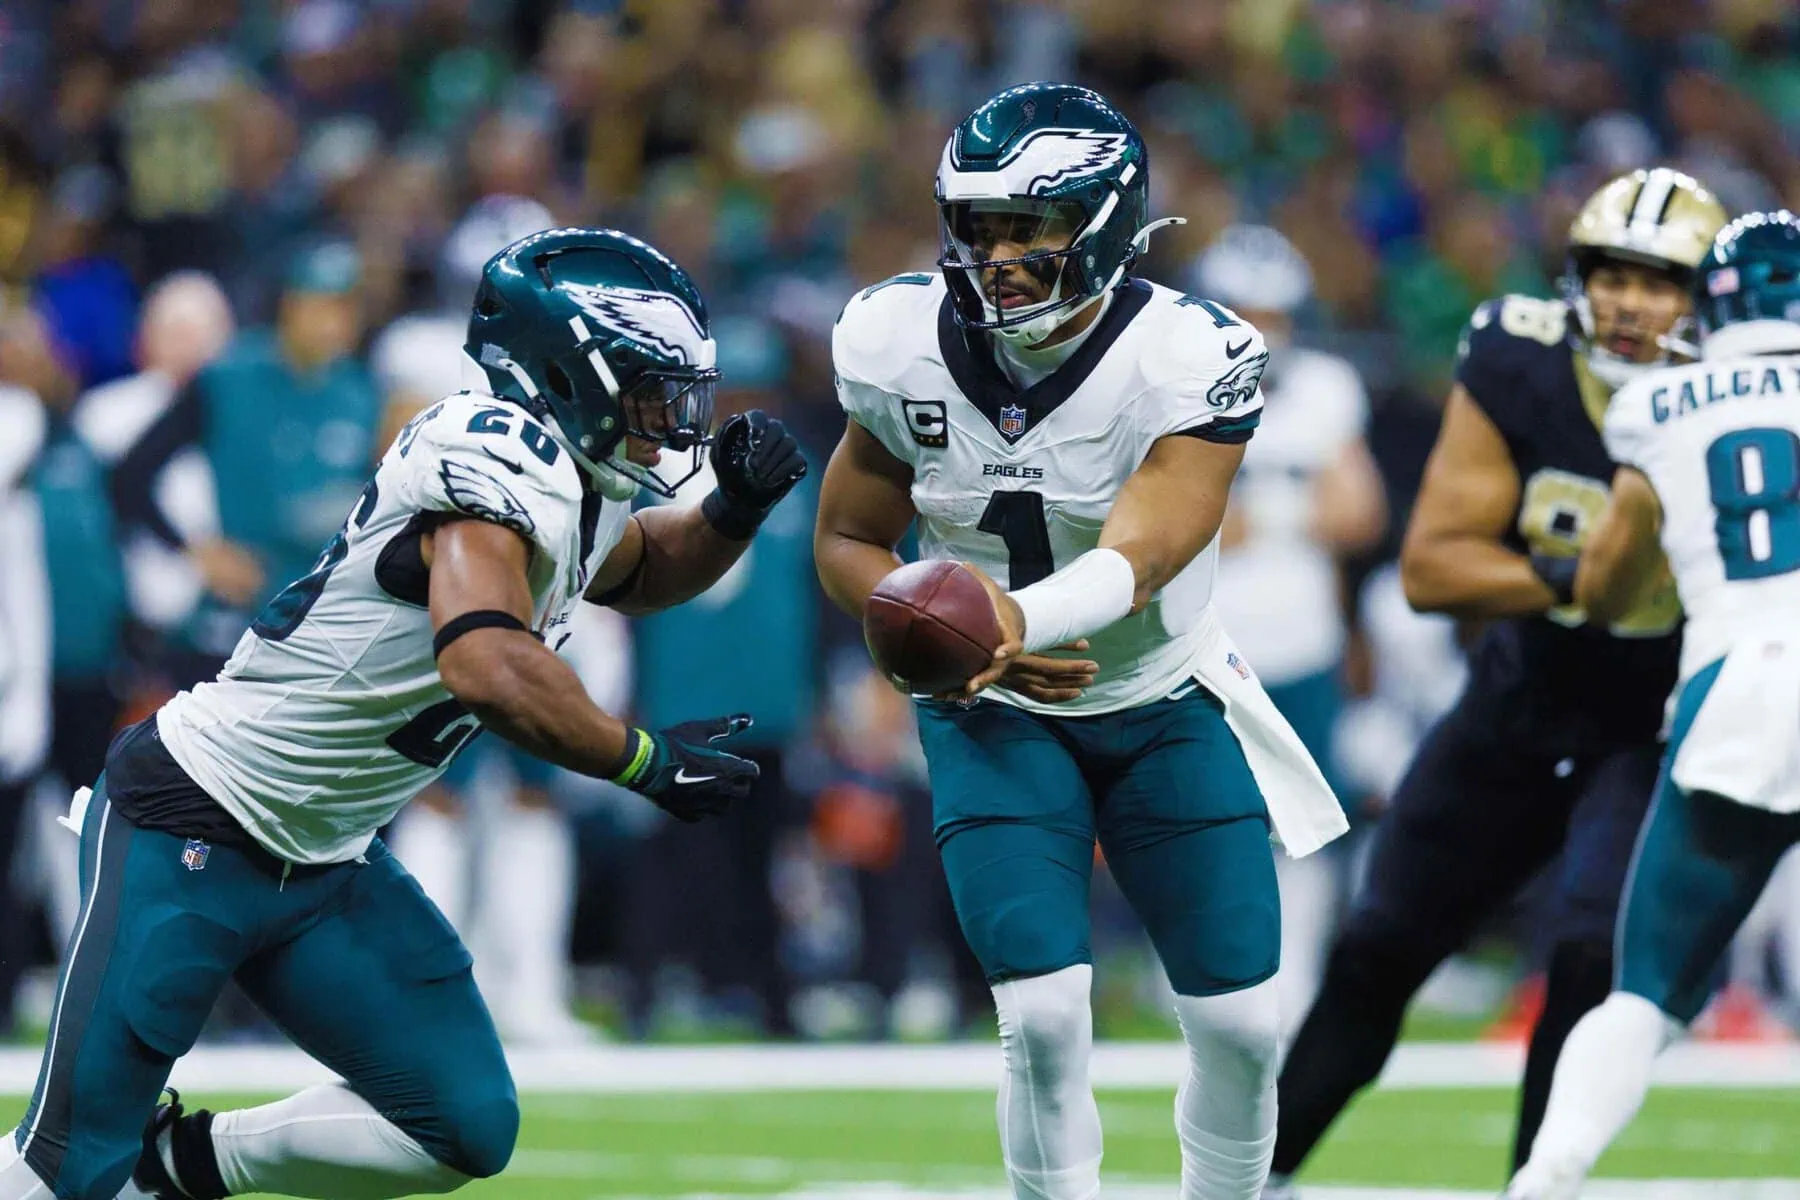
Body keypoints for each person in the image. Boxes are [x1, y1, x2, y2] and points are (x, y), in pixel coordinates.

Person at [0, 227, 808, 1200]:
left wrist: (735, 510)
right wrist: (638, 758)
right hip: (197, 820)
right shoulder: (492, 448)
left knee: (461, 1121)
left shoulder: (574, 486)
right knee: (58, 1173)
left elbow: (637, 571)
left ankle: (180, 1166)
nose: (667, 417)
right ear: (567, 372)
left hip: (328, 855)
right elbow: (483, 660)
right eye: (646, 386)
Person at [814, 82, 1346, 1200]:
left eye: (1030, 229)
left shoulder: (1186, 353)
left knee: (1248, 1026)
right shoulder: (895, 339)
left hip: (1162, 701)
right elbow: (852, 537)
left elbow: (1149, 549)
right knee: (1046, 1017)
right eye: (981, 227)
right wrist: (930, 635)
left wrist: (1013, 619)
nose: (998, 256)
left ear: (1102, 227)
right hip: (994, 716)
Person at [1265, 167, 1729, 1195]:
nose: (1630, 302)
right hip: (1522, 700)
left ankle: (1536, 1186)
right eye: (1614, 274)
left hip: (1651, 727)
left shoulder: (1747, 397)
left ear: (1708, 299)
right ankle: (1255, 1177)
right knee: (1378, 947)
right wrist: (1582, 578)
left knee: (1584, 960)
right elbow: (1433, 565)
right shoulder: (1523, 360)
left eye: (1661, 282)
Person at [1506, 210, 1800, 1198]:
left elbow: (1604, 588)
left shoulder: (1661, 402)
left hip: (1739, 681)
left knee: (1648, 994)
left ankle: (1548, 1174)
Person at [1191, 224, 1387, 1032]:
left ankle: (1297, 986)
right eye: (1241, 311)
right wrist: (1290, 509)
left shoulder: (1325, 389)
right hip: (1200, 639)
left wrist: (1258, 511)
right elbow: (1187, 525)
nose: (1258, 329)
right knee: (1202, 816)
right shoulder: (1167, 389)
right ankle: (1212, 986)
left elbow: (1359, 514)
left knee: (1304, 821)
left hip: (1302, 638)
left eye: (1271, 313)